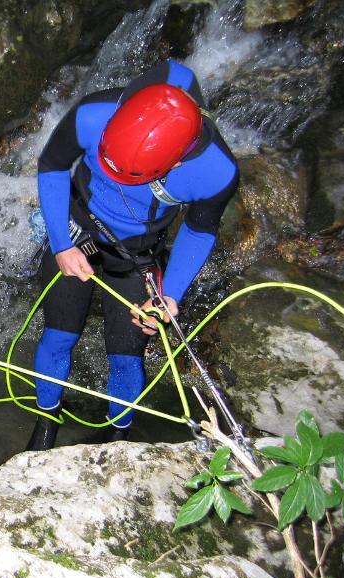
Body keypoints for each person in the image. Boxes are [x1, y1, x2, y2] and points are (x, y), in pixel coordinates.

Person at [27, 60, 239, 450]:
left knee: (126, 356)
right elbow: (53, 165)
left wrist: (169, 293)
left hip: (139, 256)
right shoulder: (93, 114)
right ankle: (46, 421)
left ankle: (117, 438)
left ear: (173, 164)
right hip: (75, 232)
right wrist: (60, 243)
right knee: (58, 335)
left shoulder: (215, 172)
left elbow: (197, 229)